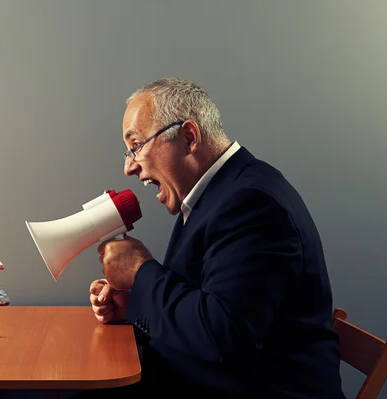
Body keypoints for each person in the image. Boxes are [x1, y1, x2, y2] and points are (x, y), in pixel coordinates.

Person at [88, 78, 346, 398]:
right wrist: (135, 303)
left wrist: (141, 273)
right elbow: (204, 305)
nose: (129, 167)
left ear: (189, 137)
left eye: (136, 145)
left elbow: (222, 336)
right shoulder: (221, 193)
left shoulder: (252, 204)